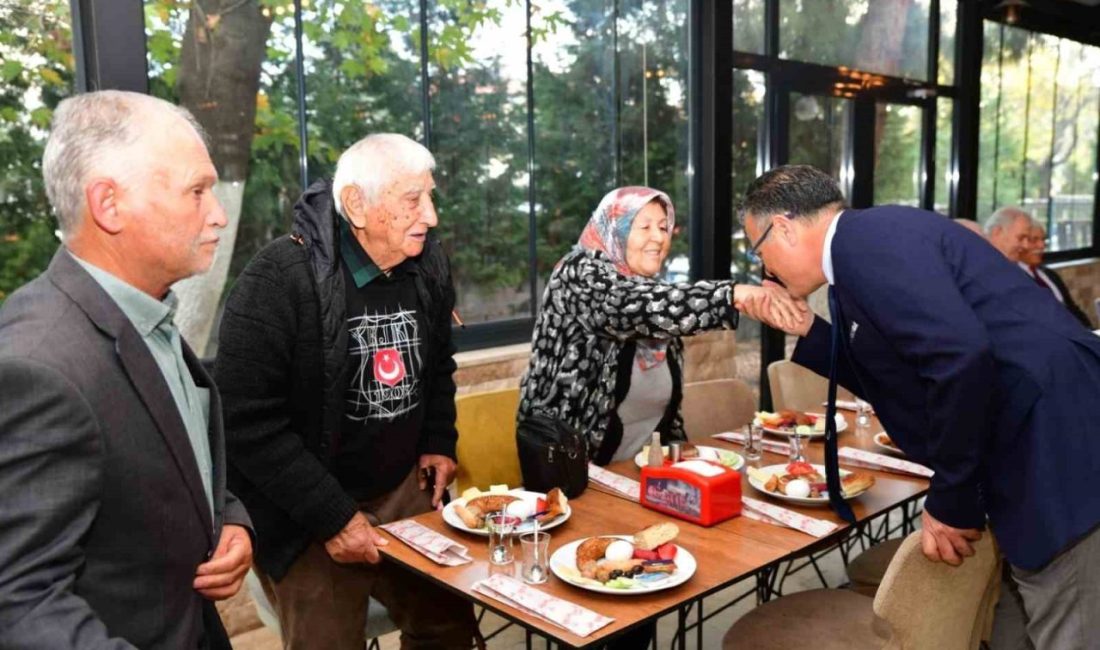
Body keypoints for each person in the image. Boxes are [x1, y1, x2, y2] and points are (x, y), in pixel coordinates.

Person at [740, 164, 1100, 649]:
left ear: (782, 226)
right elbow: (889, 375)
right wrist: (809, 330)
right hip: (1034, 441)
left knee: (1070, 623)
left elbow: (960, 359)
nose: (765, 270)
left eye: (758, 249)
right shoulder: (861, 251)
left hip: (1056, 449)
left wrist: (950, 496)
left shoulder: (866, 247)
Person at [0, 90, 253, 649]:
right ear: (108, 204)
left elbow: (164, 452)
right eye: (197, 191)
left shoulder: (144, 312)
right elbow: (18, 605)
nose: (218, 214)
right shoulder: (38, 368)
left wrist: (228, 516)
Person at [214, 134, 479, 649]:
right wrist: (334, 516)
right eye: (412, 200)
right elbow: (245, 423)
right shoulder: (276, 280)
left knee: (449, 625)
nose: (431, 216)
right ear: (357, 204)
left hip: (402, 486)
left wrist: (439, 440)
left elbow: (438, 365)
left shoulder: (427, 263)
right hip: (306, 505)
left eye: (430, 197)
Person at [519, 185, 804, 467]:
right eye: (644, 227)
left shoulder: (654, 293)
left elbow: (668, 412)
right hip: (573, 474)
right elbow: (625, 306)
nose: (659, 237)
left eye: (664, 227)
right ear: (615, 228)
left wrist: (682, 459)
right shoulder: (578, 271)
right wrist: (733, 294)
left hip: (641, 472)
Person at [1019, 220, 1092, 328]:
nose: (1041, 245)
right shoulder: (1016, 279)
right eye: (1034, 240)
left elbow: (1072, 309)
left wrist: (1091, 333)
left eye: (1043, 240)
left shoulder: (1050, 274)